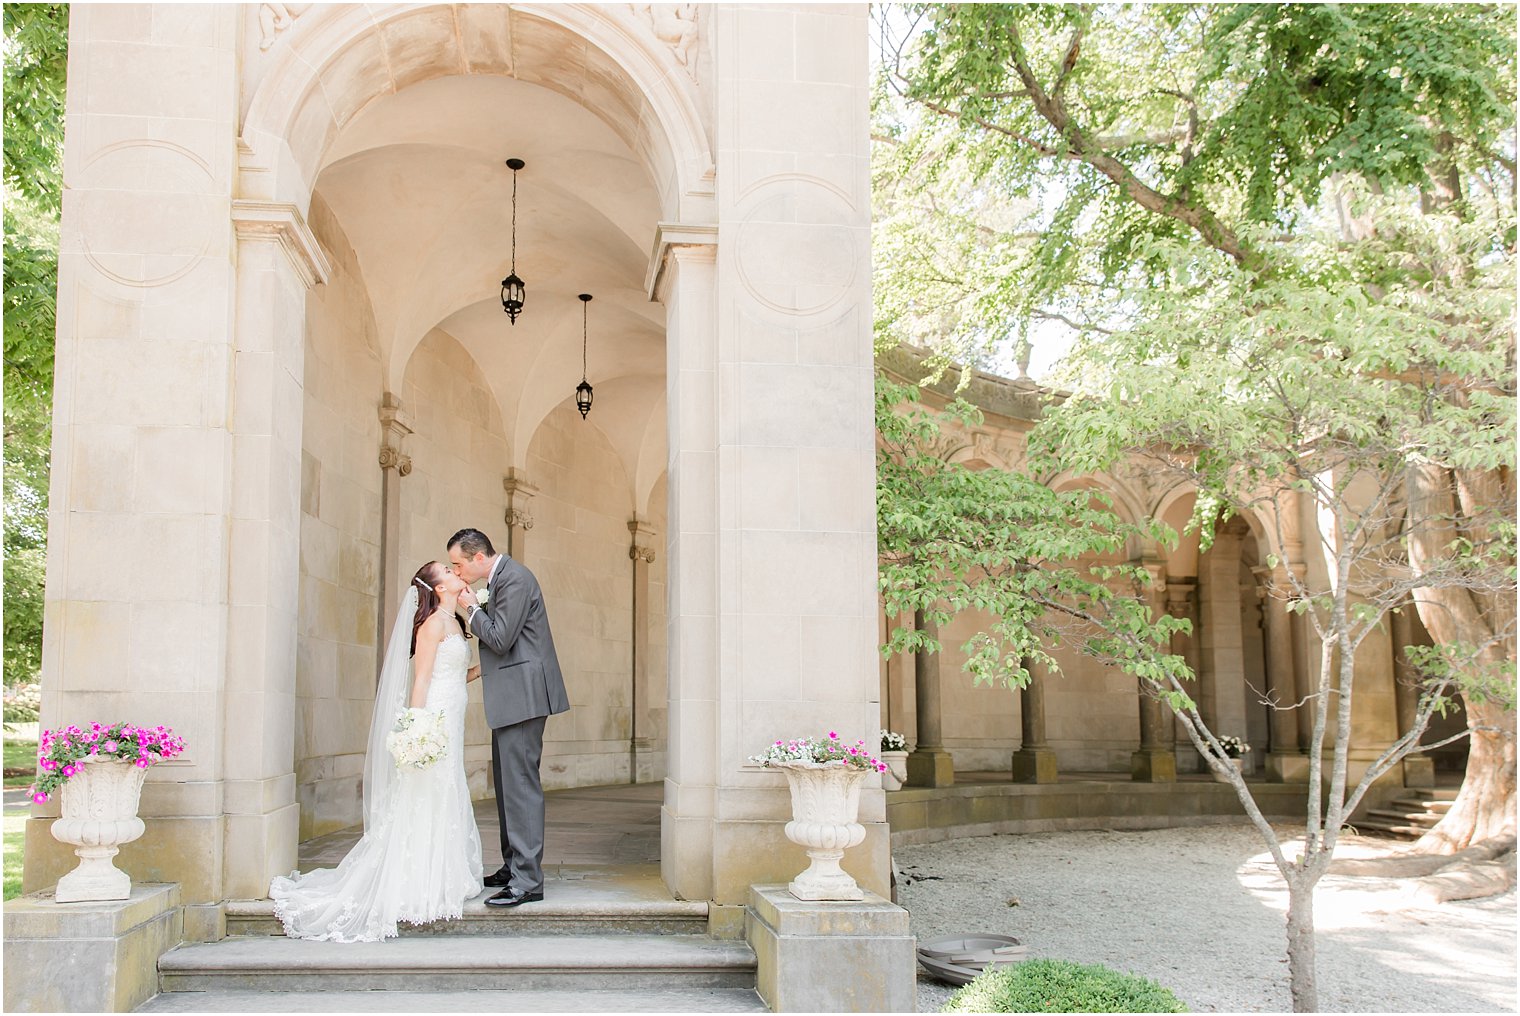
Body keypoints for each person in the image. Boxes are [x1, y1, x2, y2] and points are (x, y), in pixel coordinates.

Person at [269, 562, 483, 941]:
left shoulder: (456, 622)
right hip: (435, 718)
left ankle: (443, 875)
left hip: (453, 715)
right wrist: (418, 730)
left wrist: (482, 671)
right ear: (436, 588)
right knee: (426, 793)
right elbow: (421, 680)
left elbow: (451, 674)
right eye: (446, 571)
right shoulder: (433, 623)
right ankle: (418, 883)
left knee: (445, 791)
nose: (454, 572)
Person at [447, 527, 569, 908]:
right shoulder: (501, 578)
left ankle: (528, 880)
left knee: (519, 785)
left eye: (458, 564)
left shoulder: (514, 578)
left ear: (479, 557)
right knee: (506, 783)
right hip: (514, 695)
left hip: (524, 697)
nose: (457, 572)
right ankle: (514, 864)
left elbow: (500, 638)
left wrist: (470, 607)